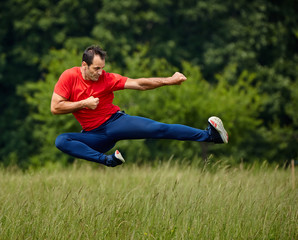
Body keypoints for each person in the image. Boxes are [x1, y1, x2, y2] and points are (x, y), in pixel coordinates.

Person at [51, 45, 228, 167]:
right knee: (61, 141)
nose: (100, 72)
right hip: (93, 136)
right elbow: (56, 108)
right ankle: (108, 161)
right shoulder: (69, 77)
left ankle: (211, 136)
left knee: (159, 129)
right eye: (96, 68)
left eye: (102, 68)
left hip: (115, 123)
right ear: (84, 65)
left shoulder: (107, 78)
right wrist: (84, 103)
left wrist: (169, 80)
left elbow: (140, 84)